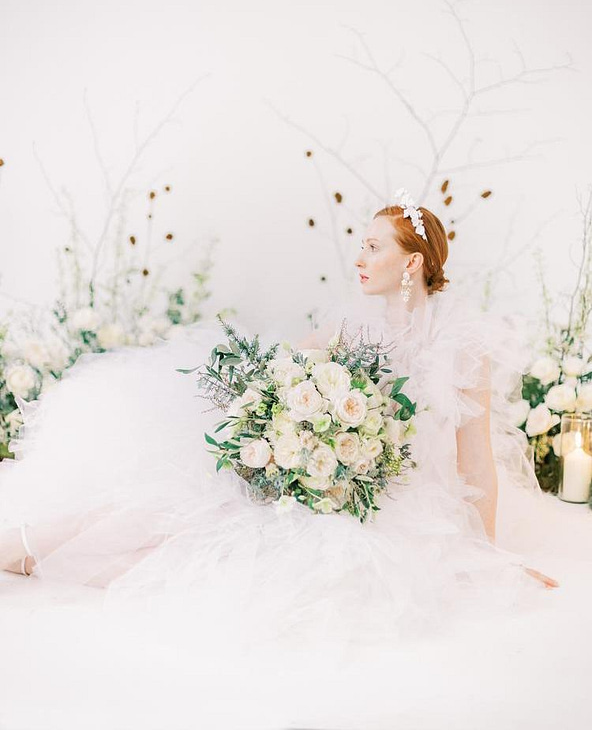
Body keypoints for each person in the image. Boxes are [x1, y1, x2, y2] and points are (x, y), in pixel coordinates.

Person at [0, 193, 567, 656]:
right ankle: (23, 548)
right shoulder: (351, 325)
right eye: (362, 247)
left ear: (412, 261)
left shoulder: (461, 346)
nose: (361, 258)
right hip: (309, 476)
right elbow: (275, 380)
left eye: (373, 247)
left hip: (388, 502)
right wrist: (280, 437)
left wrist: (488, 556)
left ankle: (34, 557)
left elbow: (476, 464)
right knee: (179, 509)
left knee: (224, 557)